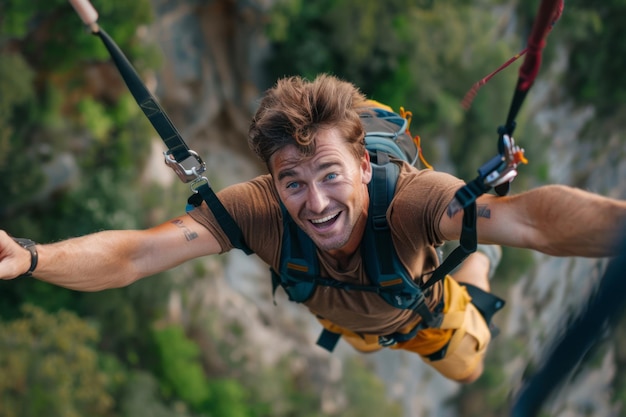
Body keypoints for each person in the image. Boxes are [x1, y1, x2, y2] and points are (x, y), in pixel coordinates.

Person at [1, 74, 625, 384]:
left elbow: (532, 222)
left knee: (470, 361)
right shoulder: (255, 209)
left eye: (330, 174)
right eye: (292, 182)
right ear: (272, 181)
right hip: (345, 323)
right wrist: (29, 257)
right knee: (385, 306)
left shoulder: (414, 201)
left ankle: (471, 267)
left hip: (422, 319)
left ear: (362, 163)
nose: (316, 202)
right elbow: (135, 255)